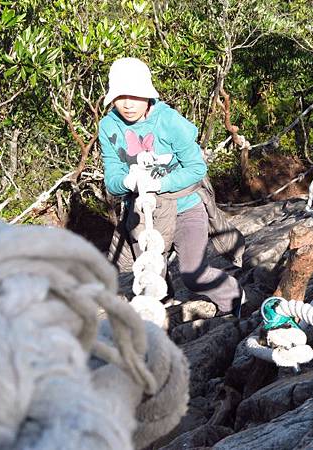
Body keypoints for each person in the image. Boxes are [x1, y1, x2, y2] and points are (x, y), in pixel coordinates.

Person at [99, 57, 245, 318]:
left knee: (193, 274)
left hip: (186, 207)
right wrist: (127, 182)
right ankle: (164, 316)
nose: (128, 104)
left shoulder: (170, 122)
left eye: (135, 95)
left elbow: (196, 169)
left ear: (147, 94)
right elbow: (112, 178)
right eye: (121, 96)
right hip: (142, 211)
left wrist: (159, 183)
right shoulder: (109, 126)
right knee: (151, 274)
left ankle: (235, 300)